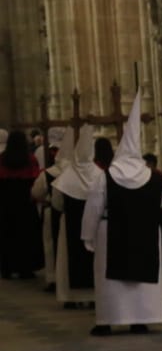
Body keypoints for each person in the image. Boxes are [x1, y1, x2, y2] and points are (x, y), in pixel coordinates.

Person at [82, 93, 162, 336]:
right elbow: (161, 201)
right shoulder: (153, 177)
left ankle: (108, 320)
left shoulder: (106, 177)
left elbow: (95, 206)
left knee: (110, 280)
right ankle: (141, 319)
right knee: (141, 280)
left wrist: (88, 235)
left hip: (111, 231)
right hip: (146, 232)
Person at [51, 125, 99, 309]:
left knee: (68, 260)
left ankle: (71, 297)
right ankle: (94, 296)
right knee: (92, 259)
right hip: (94, 226)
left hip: (69, 225)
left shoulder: (67, 175)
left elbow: (57, 203)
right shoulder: (99, 175)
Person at [0, 128, 45, 279]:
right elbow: (36, 179)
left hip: (6, 204)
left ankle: (6, 267)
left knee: (7, 234)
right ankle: (26, 268)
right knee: (26, 236)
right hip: (26, 204)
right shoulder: (30, 159)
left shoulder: (2, 159)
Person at [33, 127, 70, 291]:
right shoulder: (78, 172)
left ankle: (53, 278)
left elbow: (36, 192)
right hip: (75, 215)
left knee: (51, 245)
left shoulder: (48, 173)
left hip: (52, 211)